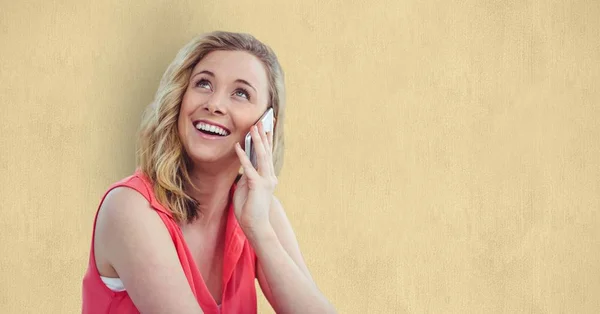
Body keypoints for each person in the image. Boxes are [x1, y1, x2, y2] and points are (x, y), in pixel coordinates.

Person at [81, 31, 336, 314]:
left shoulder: (260, 213)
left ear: (264, 126)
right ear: (179, 98)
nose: (214, 104)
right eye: (204, 84)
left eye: (241, 93)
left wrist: (258, 229)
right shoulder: (130, 208)